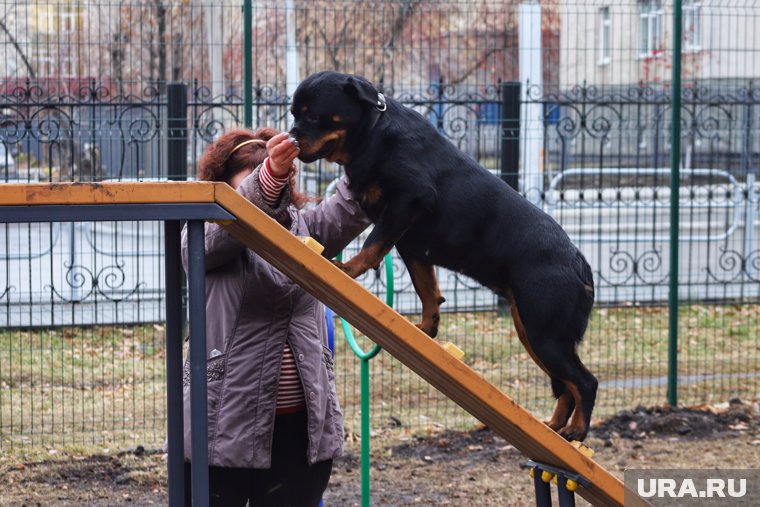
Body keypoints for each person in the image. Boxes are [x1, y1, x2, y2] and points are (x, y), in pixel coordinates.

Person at [180, 127, 370, 506]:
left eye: (270, 186)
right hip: (222, 427)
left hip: (300, 433)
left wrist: (370, 154)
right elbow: (222, 234)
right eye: (245, 191)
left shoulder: (305, 230)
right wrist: (266, 180)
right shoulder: (203, 232)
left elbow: (352, 207)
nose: (263, 197)